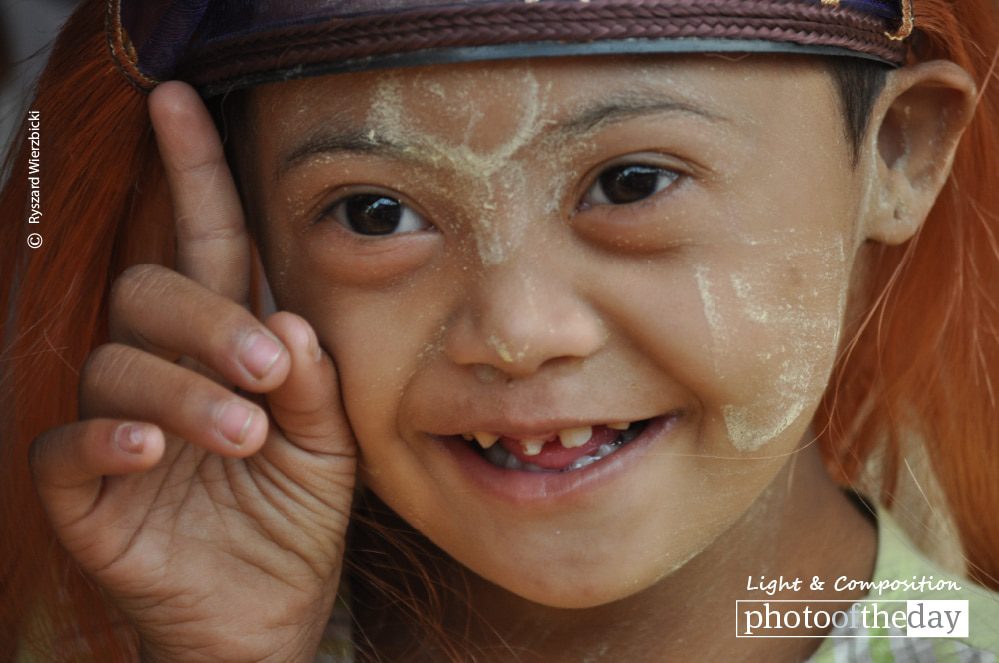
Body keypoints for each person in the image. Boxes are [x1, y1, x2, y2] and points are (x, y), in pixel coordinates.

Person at [1, 1, 997, 661]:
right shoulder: (117, 629)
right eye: (374, 213)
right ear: (253, 225)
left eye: (632, 183)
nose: (517, 335)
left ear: (898, 155)